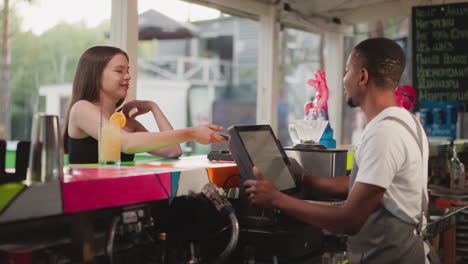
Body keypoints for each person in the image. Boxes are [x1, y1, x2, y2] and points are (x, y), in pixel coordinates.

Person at [244, 38, 433, 263]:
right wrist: (300, 179)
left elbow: (349, 220)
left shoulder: (385, 133)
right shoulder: (406, 122)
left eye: (347, 71)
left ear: (362, 76)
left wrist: (275, 199)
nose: (344, 80)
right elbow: (362, 184)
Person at [64, 46, 227, 164]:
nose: (128, 76)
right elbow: (127, 143)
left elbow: (173, 151)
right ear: (96, 75)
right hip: (88, 205)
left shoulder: (126, 123)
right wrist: (191, 133)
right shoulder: (81, 109)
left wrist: (153, 107)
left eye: (128, 71)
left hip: (119, 201)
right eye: (119, 71)